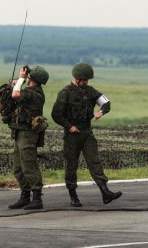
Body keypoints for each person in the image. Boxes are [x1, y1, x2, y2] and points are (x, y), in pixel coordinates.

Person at [51, 63, 122, 207]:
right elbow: (56, 114)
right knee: (71, 164)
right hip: (72, 135)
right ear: (76, 78)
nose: (86, 82)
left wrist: (100, 112)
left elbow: (106, 103)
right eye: (83, 80)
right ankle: (73, 196)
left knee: (94, 161)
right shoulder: (65, 92)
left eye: (87, 80)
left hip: (87, 132)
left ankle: (105, 192)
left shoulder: (90, 91)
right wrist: (69, 127)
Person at [8, 65, 49, 210]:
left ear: (31, 78)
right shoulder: (31, 91)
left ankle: (37, 198)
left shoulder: (35, 93)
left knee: (29, 166)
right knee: (18, 168)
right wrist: (17, 83)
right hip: (20, 132)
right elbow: (16, 92)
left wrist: (20, 79)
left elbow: (16, 95)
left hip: (28, 134)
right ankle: (25, 196)